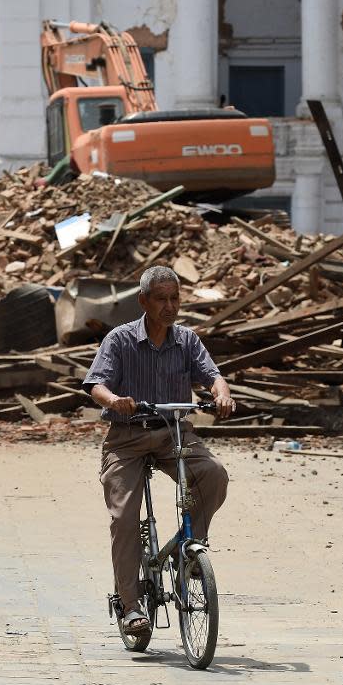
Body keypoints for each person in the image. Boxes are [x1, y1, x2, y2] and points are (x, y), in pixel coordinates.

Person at [83, 265, 234, 634]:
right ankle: (132, 607)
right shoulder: (119, 339)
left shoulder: (186, 340)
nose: (170, 306)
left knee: (213, 475)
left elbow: (212, 375)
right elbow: (95, 384)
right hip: (127, 438)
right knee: (124, 519)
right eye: (161, 299)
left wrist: (222, 392)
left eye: (175, 298)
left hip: (174, 434)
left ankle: (190, 549)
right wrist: (115, 400)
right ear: (143, 301)